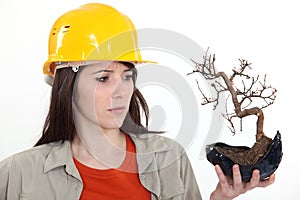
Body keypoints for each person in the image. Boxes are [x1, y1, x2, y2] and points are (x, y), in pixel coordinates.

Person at [0, 3, 275, 200]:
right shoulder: (17, 174)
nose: (121, 91)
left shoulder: (169, 158)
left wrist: (220, 199)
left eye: (127, 76)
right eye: (104, 78)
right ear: (67, 86)